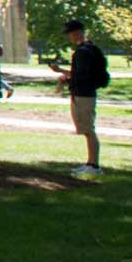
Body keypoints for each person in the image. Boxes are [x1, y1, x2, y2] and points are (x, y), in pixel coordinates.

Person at [57, 17, 108, 176]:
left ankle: (94, 165)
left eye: (71, 34)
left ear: (78, 33)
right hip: (84, 92)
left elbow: (82, 75)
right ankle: (90, 163)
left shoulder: (83, 52)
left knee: (88, 129)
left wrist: (65, 76)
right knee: (86, 129)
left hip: (83, 94)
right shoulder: (90, 49)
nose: (70, 37)